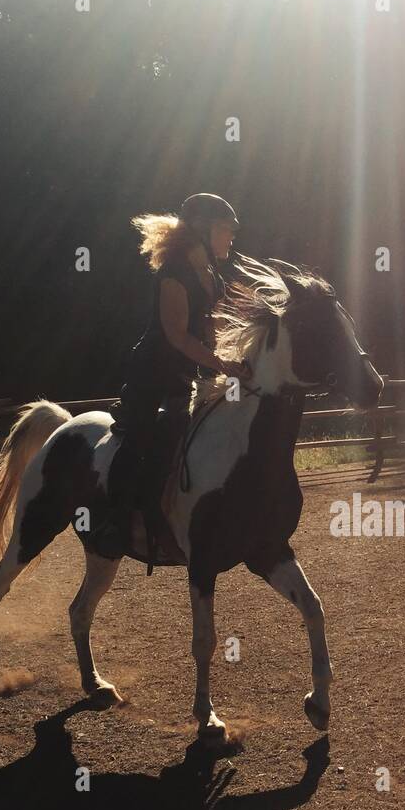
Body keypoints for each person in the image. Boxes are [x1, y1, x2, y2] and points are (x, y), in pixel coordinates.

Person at [94, 193, 249, 558]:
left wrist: (238, 357)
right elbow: (177, 335)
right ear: (203, 230)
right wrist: (220, 364)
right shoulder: (174, 273)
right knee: (143, 438)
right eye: (226, 230)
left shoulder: (210, 274)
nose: (231, 237)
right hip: (153, 374)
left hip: (188, 372)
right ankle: (114, 522)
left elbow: (215, 324)